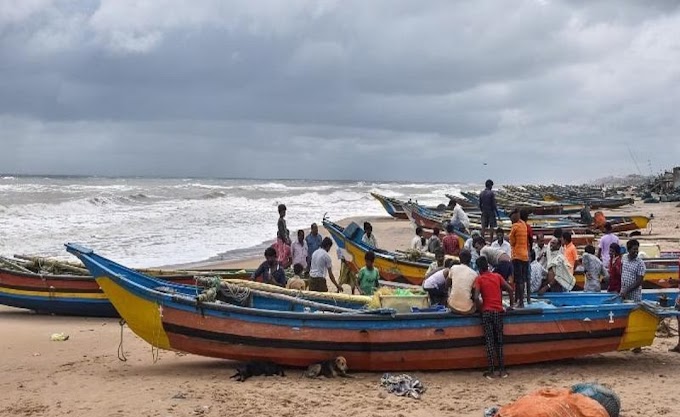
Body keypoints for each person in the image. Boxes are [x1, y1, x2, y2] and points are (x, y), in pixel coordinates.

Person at [473, 256, 514, 379]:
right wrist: (511, 305)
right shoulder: (497, 276)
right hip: (498, 311)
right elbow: (510, 289)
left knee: (490, 342)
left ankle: (491, 371)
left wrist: (480, 308)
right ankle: (502, 370)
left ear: (479, 269)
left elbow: (475, 297)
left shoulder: (479, 279)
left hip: (486, 312)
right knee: (499, 341)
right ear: (488, 266)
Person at [509, 209, 529, 307]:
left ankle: (520, 302)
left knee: (518, 280)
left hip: (517, 256)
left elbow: (512, 242)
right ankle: (519, 300)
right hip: (525, 256)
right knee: (522, 280)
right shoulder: (524, 225)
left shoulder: (515, 226)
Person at [447, 250, 478, 314]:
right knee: (477, 304)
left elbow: (447, 284)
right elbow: (474, 295)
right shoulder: (474, 274)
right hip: (467, 310)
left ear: (459, 259)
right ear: (470, 260)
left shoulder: (453, 268)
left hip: (452, 306)